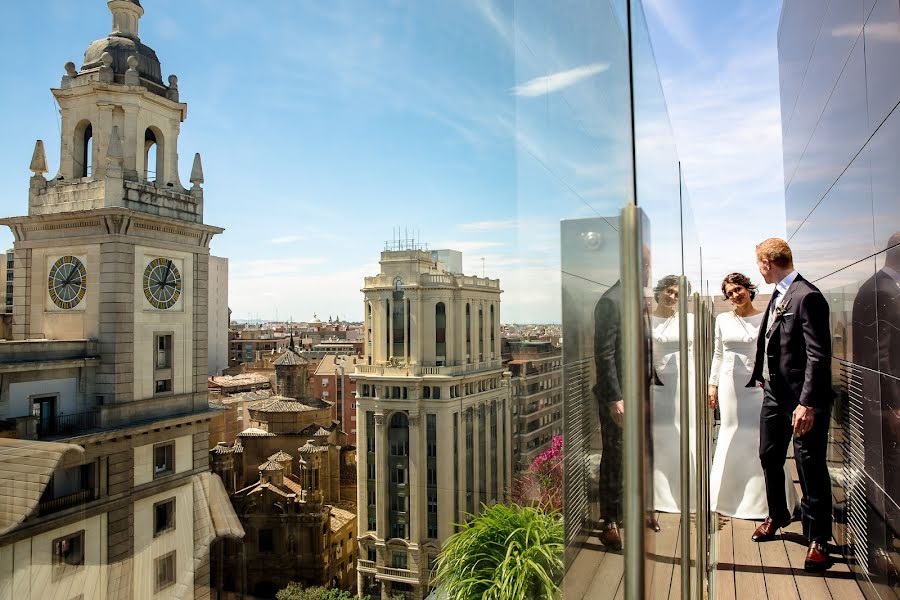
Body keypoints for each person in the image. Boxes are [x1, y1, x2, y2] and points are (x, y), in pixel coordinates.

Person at [746, 238, 833, 572]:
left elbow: (818, 355)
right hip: (773, 395)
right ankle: (778, 514)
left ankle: (818, 539)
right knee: (769, 455)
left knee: (809, 465)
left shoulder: (806, 295)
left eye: (759, 263)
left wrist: (807, 403)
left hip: (801, 401)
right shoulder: (781, 295)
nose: (759, 269)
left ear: (768, 261)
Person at [708, 273, 798, 519]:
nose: (735, 295)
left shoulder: (766, 316)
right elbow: (717, 354)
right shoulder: (722, 319)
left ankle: (768, 502)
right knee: (731, 431)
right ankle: (727, 498)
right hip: (730, 385)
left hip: (759, 386)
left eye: (738, 289)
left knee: (763, 437)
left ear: (748, 289)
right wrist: (712, 384)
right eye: (730, 293)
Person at [648, 275, 693, 515]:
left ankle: (681, 492)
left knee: (680, 435)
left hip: (682, 384)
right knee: (659, 437)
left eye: (678, 295)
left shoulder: (688, 321)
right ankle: (657, 495)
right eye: (670, 291)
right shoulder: (645, 320)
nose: (673, 297)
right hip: (655, 386)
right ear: (660, 290)